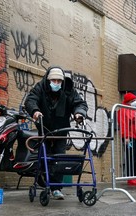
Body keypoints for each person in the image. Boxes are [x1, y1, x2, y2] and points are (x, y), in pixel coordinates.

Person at [24, 66, 88, 200]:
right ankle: (44, 180)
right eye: (54, 80)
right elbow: (30, 100)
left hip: (61, 129)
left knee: (59, 157)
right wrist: (35, 110)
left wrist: (78, 113)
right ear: (48, 80)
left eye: (59, 81)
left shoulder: (68, 89)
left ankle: (56, 188)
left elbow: (80, 103)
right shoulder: (40, 87)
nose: (57, 83)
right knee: (45, 157)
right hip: (44, 128)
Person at [117, 92, 136, 186]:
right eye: (132, 101)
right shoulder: (124, 110)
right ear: (128, 102)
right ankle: (130, 178)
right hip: (130, 138)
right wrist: (126, 137)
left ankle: (134, 176)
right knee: (131, 156)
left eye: (135, 100)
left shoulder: (135, 110)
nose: (135, 102)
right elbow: (123, 124)